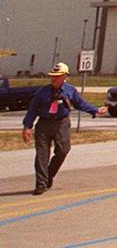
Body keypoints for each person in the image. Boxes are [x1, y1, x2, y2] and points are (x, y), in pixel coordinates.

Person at [21, 62, 107, 195]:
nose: (54, 78)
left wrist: (95, 110)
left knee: (63, 151)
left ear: (65, 76)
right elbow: (33, 109)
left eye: (58, 75)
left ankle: (49, 175)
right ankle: (41, 184)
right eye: (52, 75)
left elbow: (80, 103)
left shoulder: (70, 90)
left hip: (61, 124)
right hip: (44, 124)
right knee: (42, 155)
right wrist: (27, 126)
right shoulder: (42, 92)